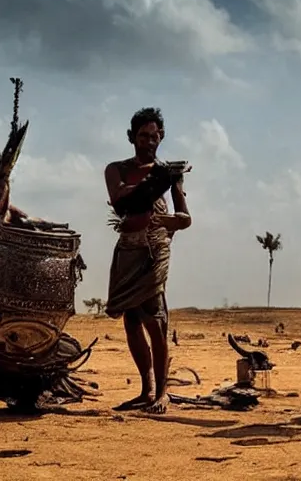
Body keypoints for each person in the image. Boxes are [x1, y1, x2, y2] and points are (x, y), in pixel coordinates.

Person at [104, 107, 191, 414]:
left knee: (156, 320)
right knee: (130, 320)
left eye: (154, 136)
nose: (149, 142)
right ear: (132, 137)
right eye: (143, 136)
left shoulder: (169, 174)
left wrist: (164, 220)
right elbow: (121, 200)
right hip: (128, 250)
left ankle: (162, 393)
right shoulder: (117, 169)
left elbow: (185, 218)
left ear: (161, 137)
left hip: (154, 251)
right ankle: (147, 389)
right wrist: (151, 185)